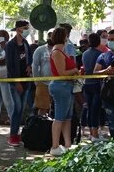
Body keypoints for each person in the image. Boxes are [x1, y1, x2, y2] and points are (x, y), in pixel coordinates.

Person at [48, 27, 79, 156]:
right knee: (59, 117)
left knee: (67, 117)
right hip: (61, 86)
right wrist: (75, 71)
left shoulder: (62, 51)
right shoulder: (57, 52)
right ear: (64, 36)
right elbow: (62, 73)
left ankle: (67, 144)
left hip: (67, 86)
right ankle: (54, 146)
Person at [5, 20, 33, 146]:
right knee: (17, 108)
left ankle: (17, 133)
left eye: (27, 28)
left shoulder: (26, 43)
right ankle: (12, 135)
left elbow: (29, 58)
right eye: (24, 28)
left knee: (21, 109)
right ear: (17, 29)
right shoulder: (10, 45)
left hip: (26, 81)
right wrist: (16, 82)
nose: (26, 30)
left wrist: (29, 66)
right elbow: (10, 66)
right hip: (15, 82)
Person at [81, 33, 106, 142]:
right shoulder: (101, 54)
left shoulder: (85, 54)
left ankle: (91, 134)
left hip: (87, 84)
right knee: (96, 109)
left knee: (90, 109)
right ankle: (95, 135)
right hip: (97, 84)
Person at [32, 32, 54, 116]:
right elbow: (34, 65)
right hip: (43, 83)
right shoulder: (40, 50)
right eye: (49, 36)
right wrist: (37, 81)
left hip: (57, 83)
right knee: (42, 108)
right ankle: (41, 125)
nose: (50, 38)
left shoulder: (60, 49)